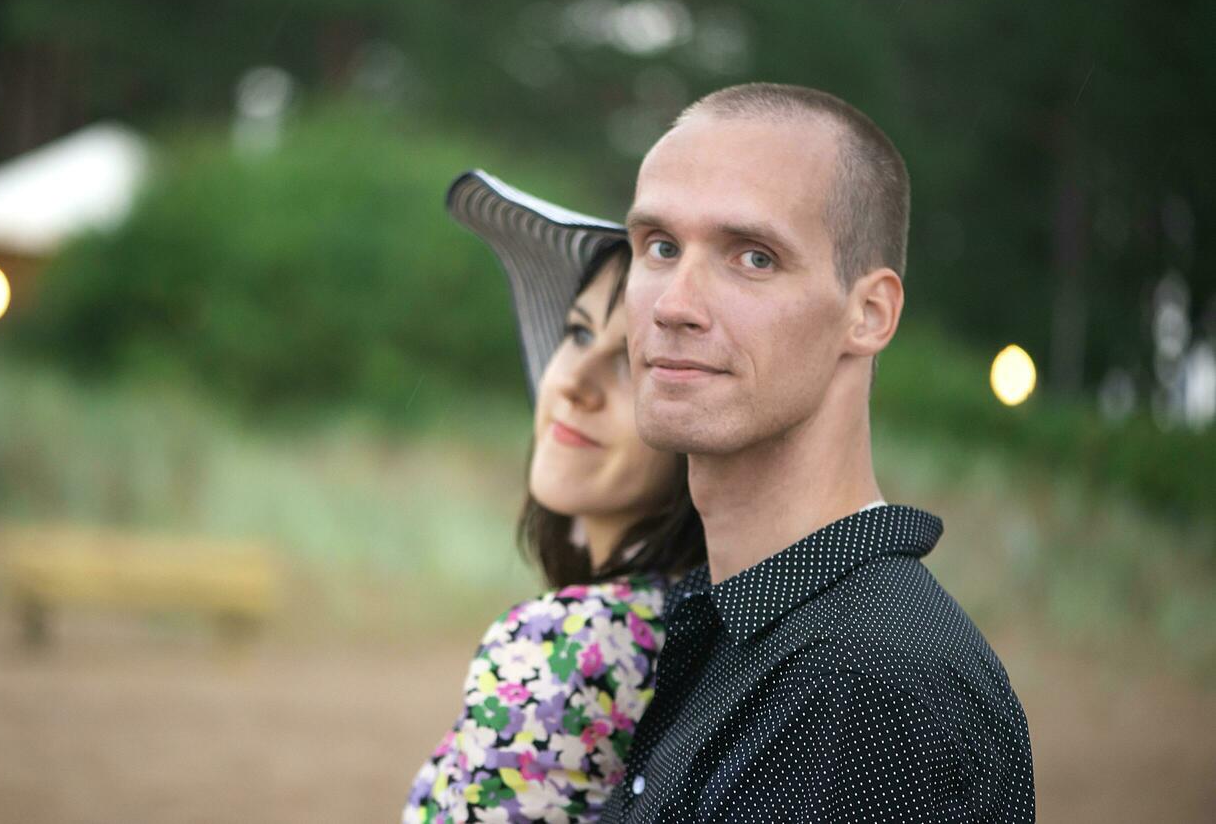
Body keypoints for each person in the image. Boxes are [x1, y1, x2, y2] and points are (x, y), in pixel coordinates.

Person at [600, 83, 1036, 822]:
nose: (673, 304)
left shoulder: (871, 683)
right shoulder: (742, 621)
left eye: (754, 258)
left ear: (869, 315)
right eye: (660, 247)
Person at [403, 171, 706, 824]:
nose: (573, 382)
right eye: (576, 333)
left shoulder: (567, 642)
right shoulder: (707, 631)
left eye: (634, 360)